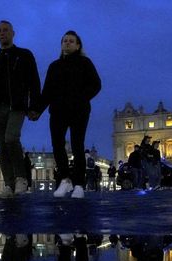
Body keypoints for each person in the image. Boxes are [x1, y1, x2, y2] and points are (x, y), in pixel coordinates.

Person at [32, 30, 101, 198]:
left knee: (78, 146)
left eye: (71, 41)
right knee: (57, 145)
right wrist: (37, 110)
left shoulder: (85, 63)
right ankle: (65, 180)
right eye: (64, 40)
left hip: (79, 109)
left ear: (78, 45)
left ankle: (78, 184)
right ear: (61, 44)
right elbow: (47, 91)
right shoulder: (54, 66)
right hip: (57, 110)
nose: (67, 43)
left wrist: (81, 98)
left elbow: (96, 84)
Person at [0, 20, 41, 198]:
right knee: (2, 146)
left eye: (6, 30)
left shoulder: (25, 55)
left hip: (17, 105)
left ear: (13, 33)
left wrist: (35, 106)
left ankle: (21, 177)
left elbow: (34, 82)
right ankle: (9, 184)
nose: (2, 33)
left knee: (11, 138)